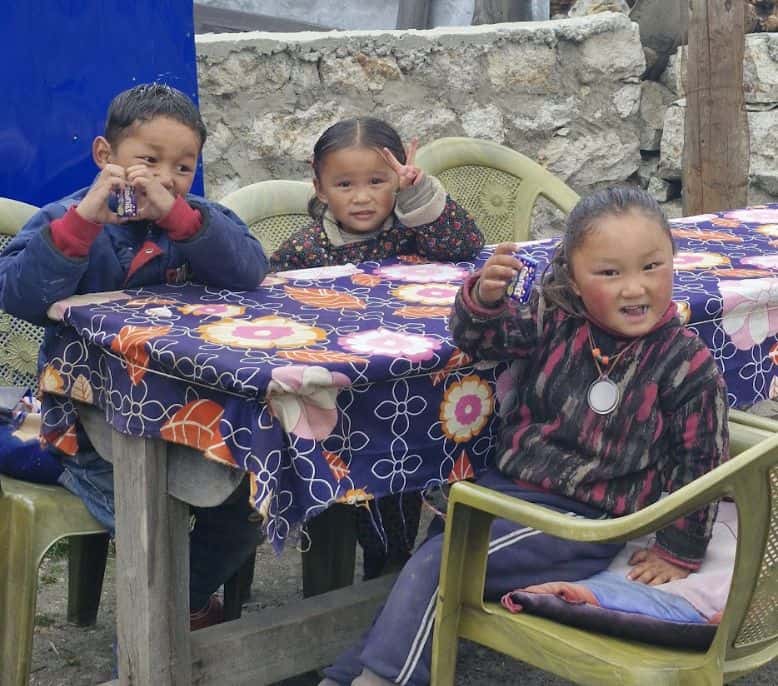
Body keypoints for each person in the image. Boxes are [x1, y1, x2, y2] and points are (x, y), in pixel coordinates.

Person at [319, 185, 729, 685]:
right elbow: (482, 339)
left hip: (581, 521)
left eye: (652, 266)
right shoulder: (555, 318)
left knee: (442, 566)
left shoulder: (685, 362)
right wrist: (484, 298)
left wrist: (678, 550)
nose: (634, 288)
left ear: (672, 260)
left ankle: (381, 680)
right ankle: (346, 676)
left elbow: (702, 461)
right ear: (573, 278)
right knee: (426, 566)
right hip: (501, 495)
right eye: (609, 273)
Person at [0, 83, 269, 629]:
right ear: (106, 155)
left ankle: (179, 604)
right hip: (87, 426)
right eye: (149, 160)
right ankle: (162, 632)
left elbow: (249, 270)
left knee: (252, 503)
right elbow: (18, 294)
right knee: (152, 526)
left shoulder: (197, 220)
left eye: (183, 168)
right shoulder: (66, 217)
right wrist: (82, 224)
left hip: (190, 419)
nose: (165, 179)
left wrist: (185, 223)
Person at [270, 117, 484, 579]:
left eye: (377, 182)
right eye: (345, 184)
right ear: (320, 187)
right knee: (366, 470)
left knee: (407, 470)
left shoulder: (413, 231)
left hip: (414, 386)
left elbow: (466, 245)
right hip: (341, 397)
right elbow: (276, 306)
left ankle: (396, 564)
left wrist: (418, 194)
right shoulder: (307, 248)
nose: (362, 197)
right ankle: (374, 568)